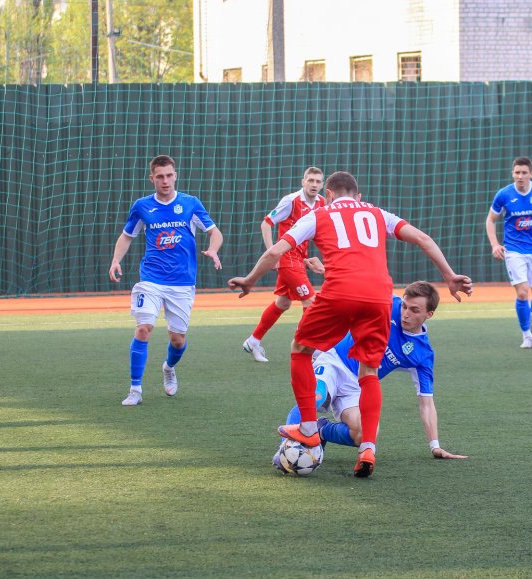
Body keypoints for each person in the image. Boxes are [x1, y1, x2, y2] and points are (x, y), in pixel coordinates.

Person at [229, 171, 472, 478]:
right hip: (379, 296)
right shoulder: (378, 213)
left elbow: (277, 249)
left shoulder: (320, 213)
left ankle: (308, 428)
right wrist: (449, 275)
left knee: (300, 349)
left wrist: (250, 280)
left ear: (328, 194)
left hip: (339, 291)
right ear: (358, 196)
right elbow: (423, 238)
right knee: (369, 371)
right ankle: (367, 448)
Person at [276, 281, 467, 470]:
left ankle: (321, 430)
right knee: (316, 396)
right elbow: (357, 286)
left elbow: (426, 402)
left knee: (365, 433)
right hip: (334, 361)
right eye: (405, 306)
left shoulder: (422, 354)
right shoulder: (389, 304)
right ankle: (286, 451)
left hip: (357, 385)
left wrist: (435, 446)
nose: (405, 313)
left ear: (429, 314)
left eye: (414, 310)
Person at [108, 154, 223, 406]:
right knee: (143, 328)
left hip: (182, 282)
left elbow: (214, 232)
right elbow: (127, 235)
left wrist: (213, 249)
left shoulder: (190, 203)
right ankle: (135, 389)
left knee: (177, 340)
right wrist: (116, 260)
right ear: (152, 178)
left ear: (175, 175)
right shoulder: (142, 206)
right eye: (160, 176)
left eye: (169, 175)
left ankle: (169, 367)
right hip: (151, 278)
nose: (165, 181)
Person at [242, 167, 326, 363]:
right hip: (286, 257)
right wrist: (273, 254)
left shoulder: (322, 203)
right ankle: (309, 348)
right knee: (311, 302)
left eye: (318, 181)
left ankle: (253, 341)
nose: (314, 184)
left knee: (283, 303)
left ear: (322, 184)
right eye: (310, 180)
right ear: (303, 181)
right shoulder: (291, 201)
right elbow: (266, 223)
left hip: (300, 258)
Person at [485, 156, 532, 349]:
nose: (520, 176)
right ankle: (526, 335)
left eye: (524, 173)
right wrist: (495, 244)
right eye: (517, 172)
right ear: (512, 174)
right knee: (523, 292)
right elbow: (490, 220)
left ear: (531, 174)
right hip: (514, 250)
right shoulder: (504, 195)